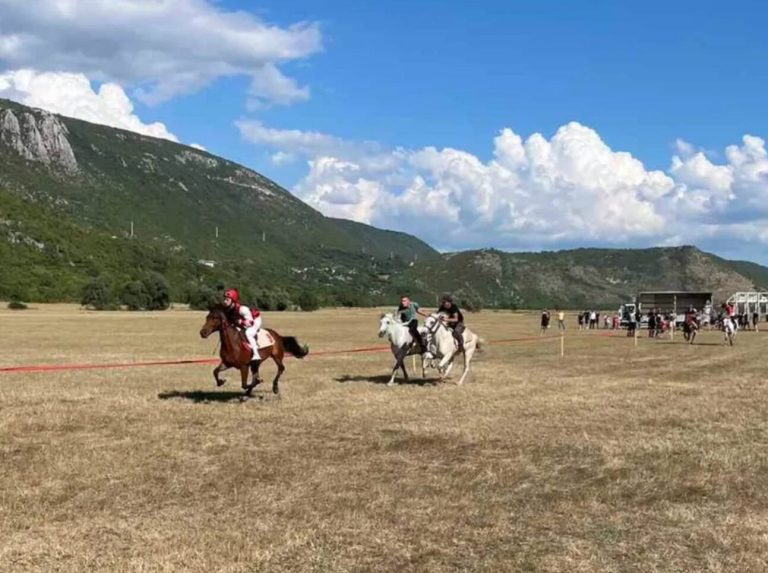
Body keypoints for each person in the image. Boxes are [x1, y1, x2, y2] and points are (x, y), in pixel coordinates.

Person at [223, 288, 262, 363]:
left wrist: (240, 322)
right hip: (246, 321)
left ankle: (256, 354)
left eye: (227, 300)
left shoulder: (242, 309)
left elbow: (250, 323)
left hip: (255, 320)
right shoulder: (229, 309)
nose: (225, 301)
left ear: (233, 301)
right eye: (225, 299)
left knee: (248, 333)